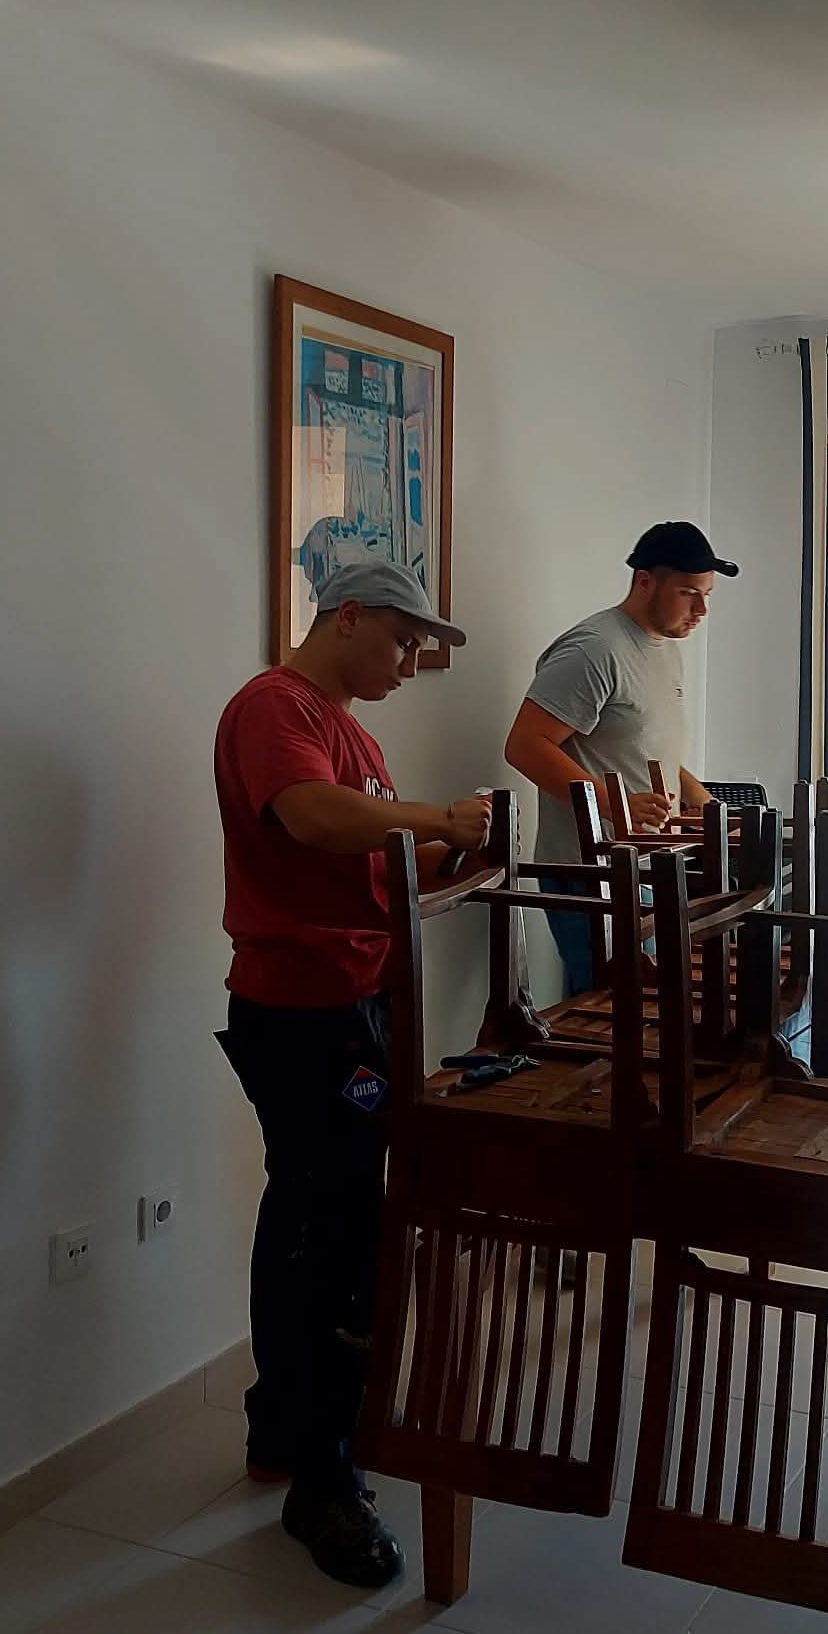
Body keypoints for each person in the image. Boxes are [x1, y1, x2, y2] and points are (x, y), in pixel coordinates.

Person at [213, 558, 492, 1587]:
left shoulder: (352, 732)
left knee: (317, 1215)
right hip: (303, 1013)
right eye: (404, 642)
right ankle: (323, 1478)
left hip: (353, 1003)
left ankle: (288, 1429)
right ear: (348, 618)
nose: (411, 666)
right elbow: (315, 819)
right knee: (333, 1232)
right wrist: (435, 818)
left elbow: (372, 859)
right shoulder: (274, 707)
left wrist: (462, 849)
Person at [504, 520, 737, 994]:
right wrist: (616, 806)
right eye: (689, 594)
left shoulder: (665, 649)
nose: (701, 610)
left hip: (645, 864)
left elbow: (642, 745)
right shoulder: (595, 649)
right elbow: (525, 746)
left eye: (707, 595)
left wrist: (701, 800)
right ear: (645, 581)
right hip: (590, 871)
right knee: (613, 1007)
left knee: (643, 1005)